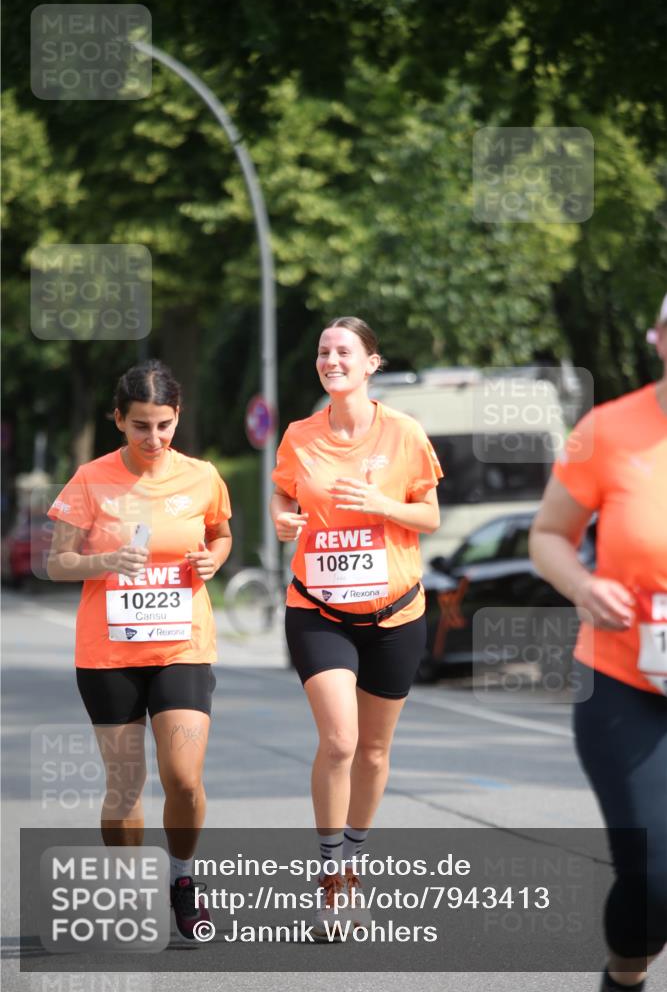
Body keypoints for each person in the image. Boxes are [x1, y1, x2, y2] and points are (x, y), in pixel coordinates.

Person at [46, 360, 232, 941]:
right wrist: (104, 562)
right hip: (109, 654)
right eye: (141, 426)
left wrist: (214, 560)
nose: (154, 439)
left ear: (178, 418)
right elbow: (55, 562)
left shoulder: (202, 476)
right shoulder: (89, 479)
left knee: (182, 778)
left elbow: (221, 532)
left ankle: (182, 881)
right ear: (118, 421)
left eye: (165, 425)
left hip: (182, 646)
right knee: (125, 785)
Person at [270, 316, 443, 935]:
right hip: (318, 609)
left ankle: (357, 863)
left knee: (372, 751)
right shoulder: (299, 435)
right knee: (340, 742)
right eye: (323, 351)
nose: (331, 359)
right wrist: (284, 519)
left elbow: (429, 514)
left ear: (371, 363)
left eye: (344, 351)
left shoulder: (404, 432)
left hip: (396, 613)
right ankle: (331, 875)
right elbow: (284, 496)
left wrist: (382, 505)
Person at [529, 298, 667, 991]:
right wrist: (583, 586)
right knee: (653, 873)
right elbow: (547, 535)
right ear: (658, 339)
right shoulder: (606, 430)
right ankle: (624, 975)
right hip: (625, 685)